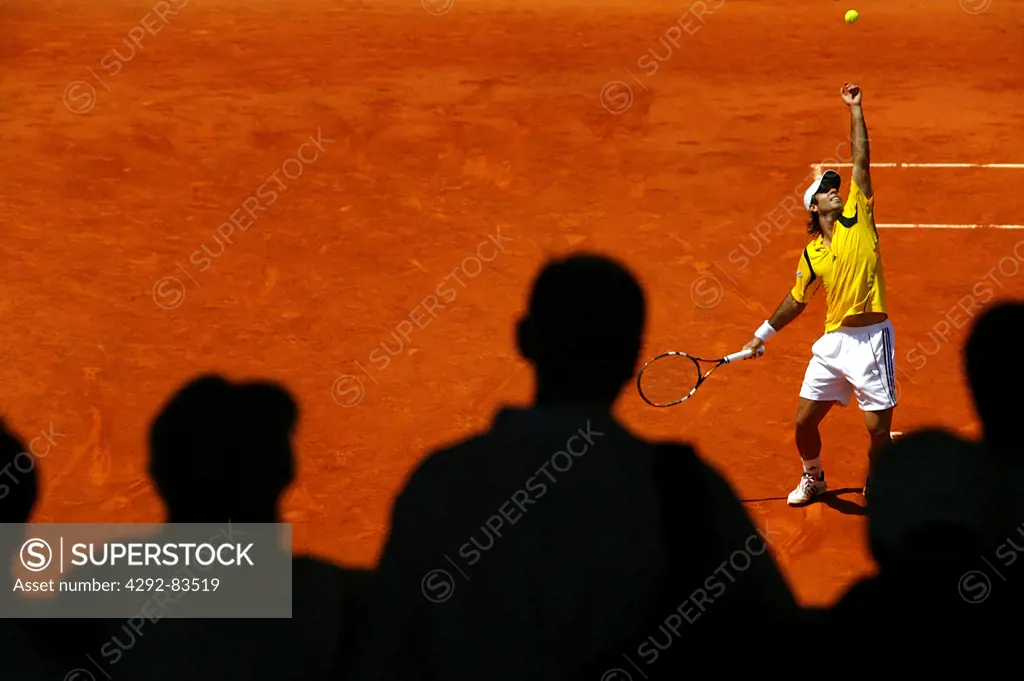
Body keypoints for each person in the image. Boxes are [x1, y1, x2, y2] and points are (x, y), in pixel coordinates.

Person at [348, 254, 801, 681]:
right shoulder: (691, 491)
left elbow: (384, 644)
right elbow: (776, 633)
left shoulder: (441, 482)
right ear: (631, 360)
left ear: (524, 339)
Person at [742, 83, 895, 506]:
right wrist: (762, 335)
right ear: (812, 207)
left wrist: (856, 109)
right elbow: (796, 300)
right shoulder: (811, 256)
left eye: (835, 185)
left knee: (877, 428)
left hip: (872, 340)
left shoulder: (860, 216)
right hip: (834, 344)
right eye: (826, 188)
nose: (835, 188)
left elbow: (861, 159)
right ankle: (814, 478)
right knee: (803, 423)